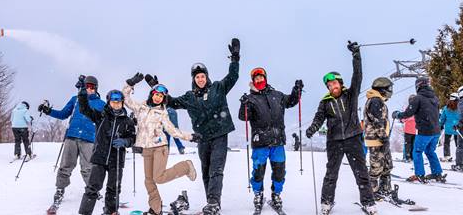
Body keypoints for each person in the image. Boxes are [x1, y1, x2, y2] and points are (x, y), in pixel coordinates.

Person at [146, 38, 240, 215]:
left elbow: (233, 77)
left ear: (207, 77)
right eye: (197, 77)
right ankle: (211, 202)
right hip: (202, 137)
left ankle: (213, 202)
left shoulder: (218, 88)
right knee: (205, 171)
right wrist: (156, 89)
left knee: (216, 169)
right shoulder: (189, 97)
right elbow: (171, 102)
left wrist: (235, 59)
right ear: (194, 79)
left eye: (203, 76)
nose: (200, 79)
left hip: (220, 134)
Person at [305, 41, 377, 215]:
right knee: (331, 174)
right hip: (335, 141)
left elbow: (357, 75)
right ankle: (326, 202)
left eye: (334, 83)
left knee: (361, 173)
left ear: (340, 83)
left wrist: (356, 55)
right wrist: (313, 128)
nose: (332, 87)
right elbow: (319, 118)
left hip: (353, 138)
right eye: (329, 85)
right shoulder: (325, 102)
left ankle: (368, 203)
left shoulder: (350, 94)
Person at [123, 73, 200, 215]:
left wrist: (190, 137)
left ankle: (185, 166)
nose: (158, 97)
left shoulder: (163, 113)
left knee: (159, 177)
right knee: (148, 181)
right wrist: (130, 84)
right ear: (152, 94)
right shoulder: (140, 107)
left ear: (163, 99)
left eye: (161, 96)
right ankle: (156, 208)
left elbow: (172, 130)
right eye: (156, 94)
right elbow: (125, 99)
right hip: (146, 149)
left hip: (160, 148)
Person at [238, 67, 303, 213]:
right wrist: (244, 104)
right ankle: (258, 194)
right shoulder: (250, 99)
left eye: (261, 77)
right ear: (253, 81)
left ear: (265, 78)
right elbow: (243, 117)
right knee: (258, 171)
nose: (259, 80)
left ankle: (276, 194)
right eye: (256, 78)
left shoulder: (277, 95)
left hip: (277, 141)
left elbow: (292, 101)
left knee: (279, 171)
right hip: (260, 142)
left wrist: (296, 90)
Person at [39, 75, 106, 213]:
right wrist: (48, 111)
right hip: (72, 137)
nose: (89, 89)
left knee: (88, 168)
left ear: (96, 88)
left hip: (89, 139)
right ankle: (59, 190)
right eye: (86, 86)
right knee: (65, 166)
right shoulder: (75, 100)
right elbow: (63, 114)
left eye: (91, 86)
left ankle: (92, 190)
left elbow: (106, 121)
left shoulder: (101, 104)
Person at [78, 85, 136, 215]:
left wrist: (125, 141)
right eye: (113, 102)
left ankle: (111, 212)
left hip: (116, 160)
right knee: (92, 187)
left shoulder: (127, 121)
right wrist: (82, 94)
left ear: (122, 103)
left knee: (114, 189)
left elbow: (133, 138)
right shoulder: (101, 116)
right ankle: (84, 212)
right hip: (100, 157)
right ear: (109, 102)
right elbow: (84, 109)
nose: (116, 104)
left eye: (119, 102)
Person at [392, 77, 445, 183]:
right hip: (436, 131)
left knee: (417, 151)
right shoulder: (435, 98)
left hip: (425, 131)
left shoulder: (418, 98)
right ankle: (437, 173)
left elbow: (408, 113)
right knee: (430, 151)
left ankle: (419, 174)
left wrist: (397, 114)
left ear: (418, 86)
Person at [363, 77, 394, 200]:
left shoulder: (379, 100)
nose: (390, 91)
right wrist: (384, 138)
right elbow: (377, 122)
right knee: (377, 167)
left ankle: (385, 188)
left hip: (381, 138)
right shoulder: (375, 101)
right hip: (376, 139)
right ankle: (371, 192)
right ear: (382, 89)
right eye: (389, 88)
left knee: (387, 165)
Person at [439, 93, 460, 162]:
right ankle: (459, 157)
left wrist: (440, 125)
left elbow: (442, 118)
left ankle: (447, 155)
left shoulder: (446, 108)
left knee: (446, 143)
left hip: (448, 128)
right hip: (457, 128)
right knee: (458, 144)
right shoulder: (459, 108)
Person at [401, 95, 417, 162]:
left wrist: (406, 119)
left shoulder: (409, 109)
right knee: (411, 144)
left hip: (411, 131)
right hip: (413, 131)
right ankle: (409, 157)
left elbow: (403, 119)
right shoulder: (417, 108)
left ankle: (408, 157)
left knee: (408, 144)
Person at [451, 87, 463, 171]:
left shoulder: (461, 103)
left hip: (462, 128)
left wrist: (458, 125)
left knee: (460, 146)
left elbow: (462, 116)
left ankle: (459, 164)